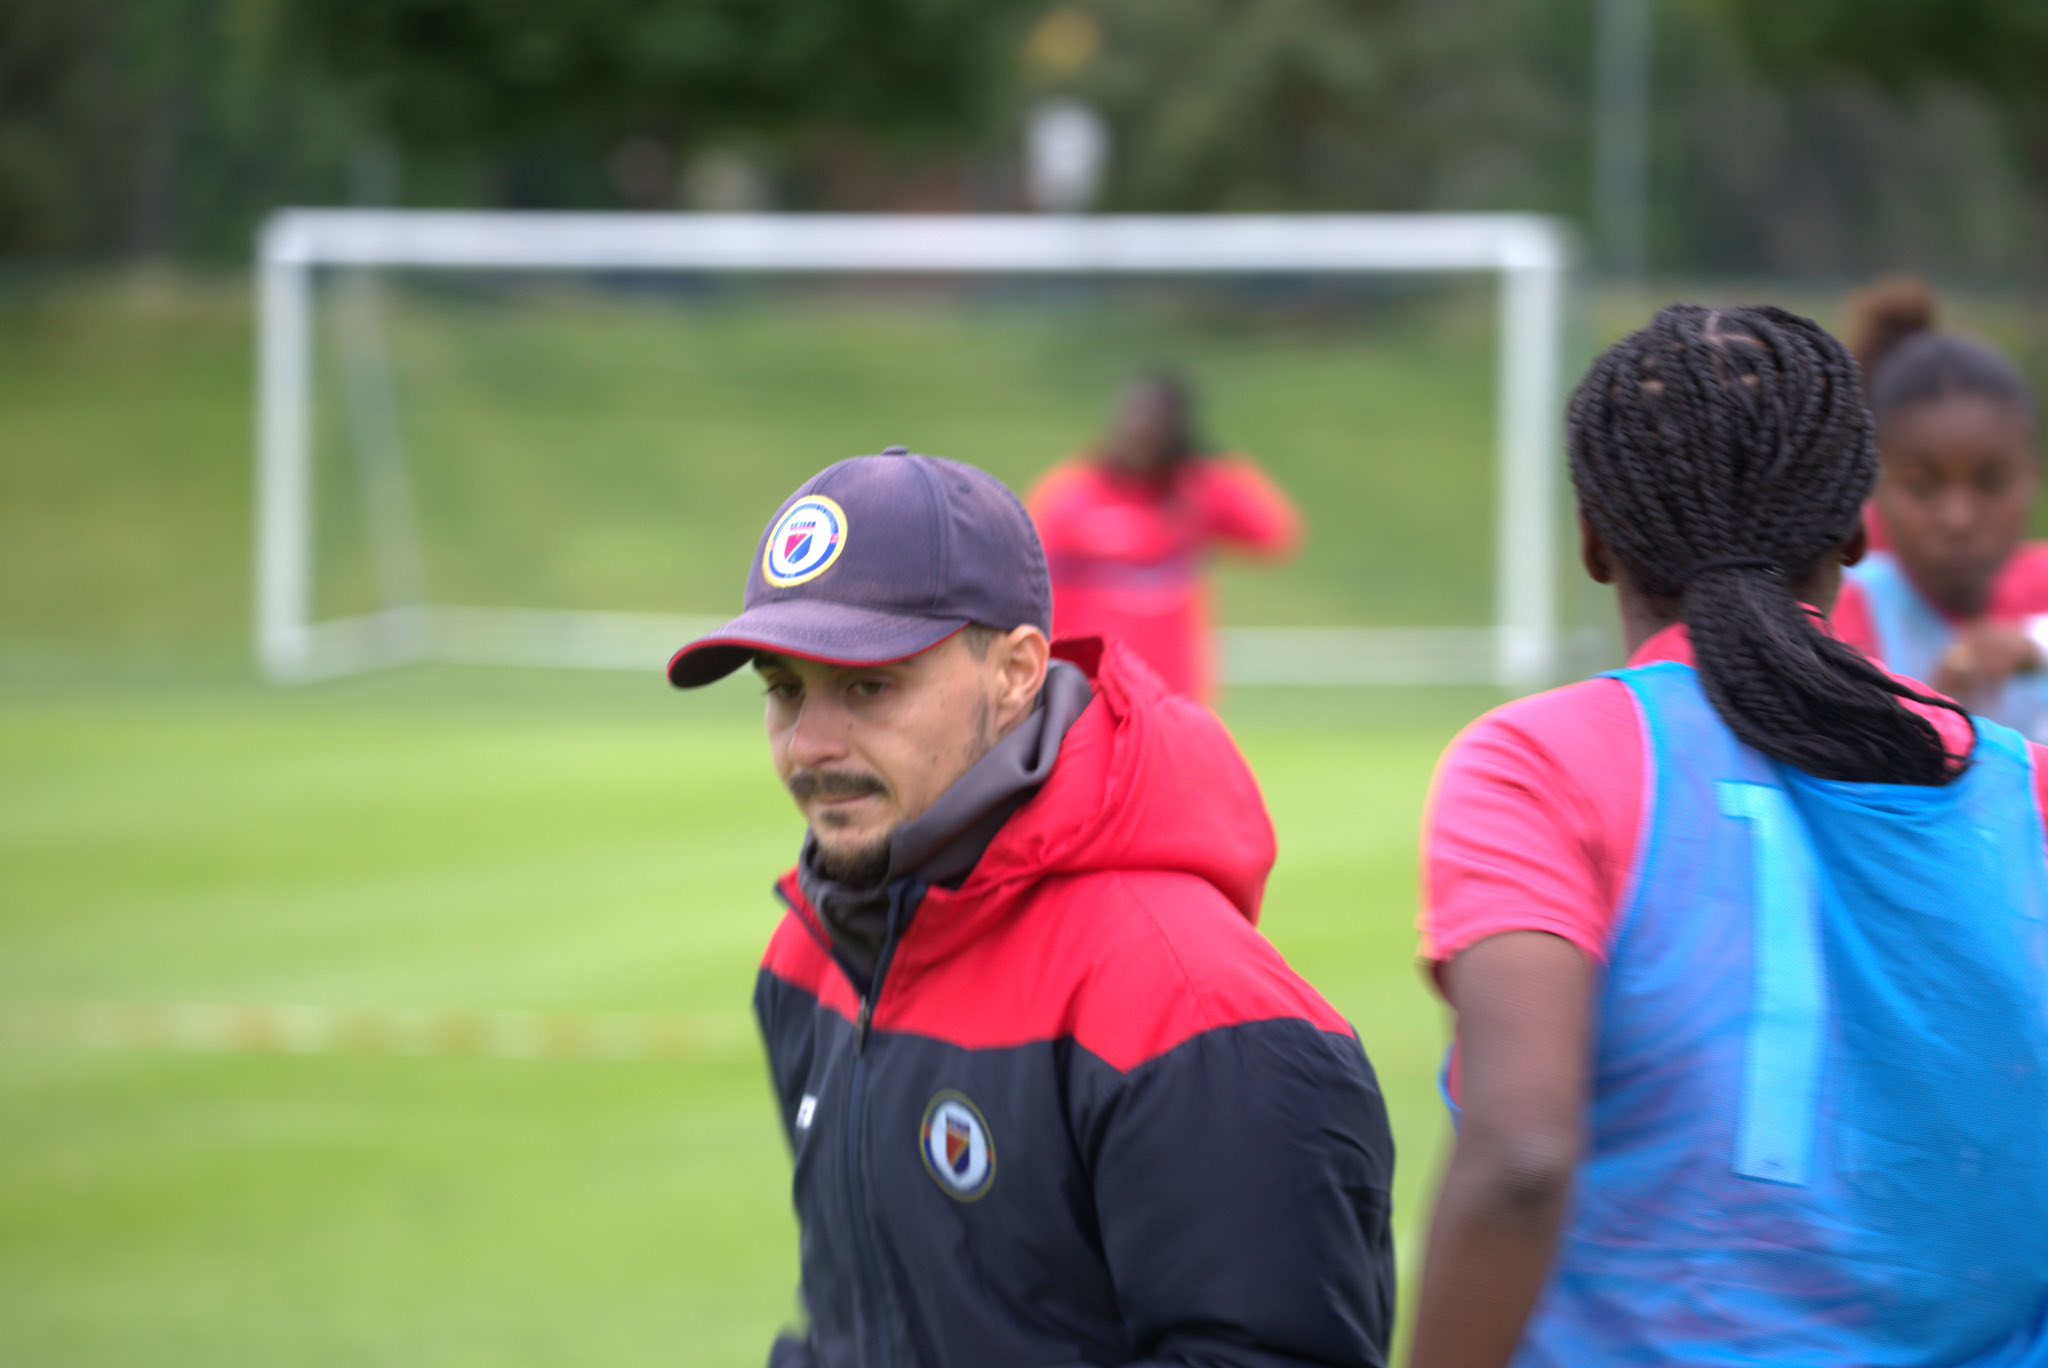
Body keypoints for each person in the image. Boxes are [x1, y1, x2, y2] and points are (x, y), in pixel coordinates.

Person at [1409, 307, 2048, 1368]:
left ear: (1592, 540)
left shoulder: (1537, 762)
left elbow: (1521, 1155)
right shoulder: (2018, 788)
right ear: (1853, 528)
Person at [668, 445, 1395, 1368]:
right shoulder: (808, 956)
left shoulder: (1195, 1003)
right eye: (784, 691)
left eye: (868, 687)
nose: (810, 744)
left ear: (1016, 671)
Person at [1833, 278, 2048, 736]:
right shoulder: (1843, 610)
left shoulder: (2039, 584)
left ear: (2033, 477)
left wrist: (2032, 649)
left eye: (1991, 483)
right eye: (1922, 488)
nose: (1959, 519)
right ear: (1875, 486)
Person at [1028, 373, 1303, 703]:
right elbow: (1035, 585)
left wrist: (1210, 462)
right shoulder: (1073, 495)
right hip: (1090, 686)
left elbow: (1273, 535)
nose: (1139, 435)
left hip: (1173, 690)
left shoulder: (1195, 492)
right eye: (1134, 422)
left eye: (1155, 429)